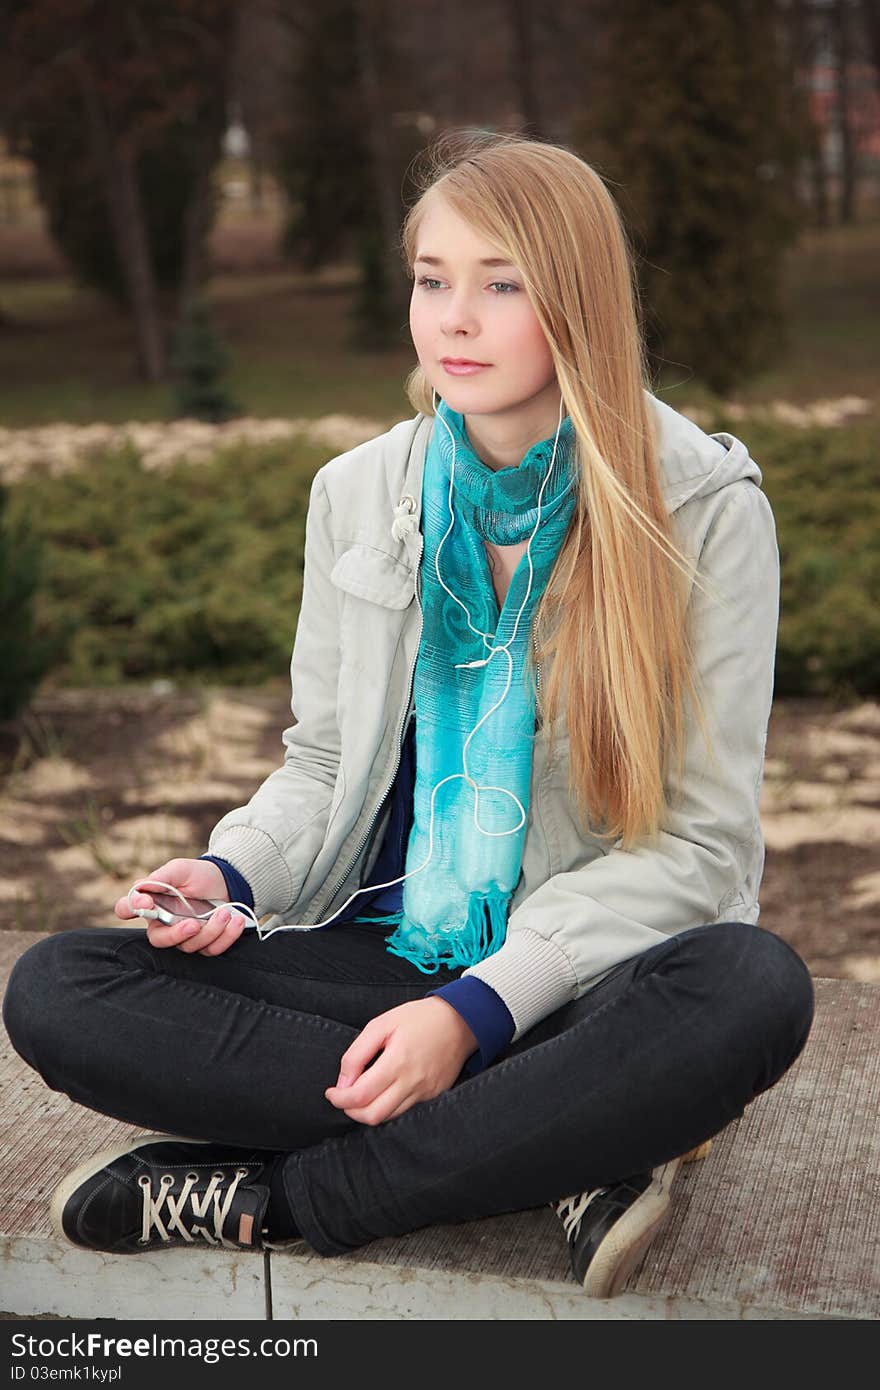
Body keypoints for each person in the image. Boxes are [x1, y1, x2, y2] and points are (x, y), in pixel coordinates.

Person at [3, 130, 814, 1300]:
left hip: (576, 981)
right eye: (433, 279)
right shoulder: (357, 494)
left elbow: (695, 847)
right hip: (374, 960)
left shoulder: (699, 512)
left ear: (578, 302)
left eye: (501, 284)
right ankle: (568, 1139)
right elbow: (324, 758)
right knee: (61, 988)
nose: (455, 319)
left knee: (751, 988)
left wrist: (475, 1014)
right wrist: (228, 881)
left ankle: (286, 1198)